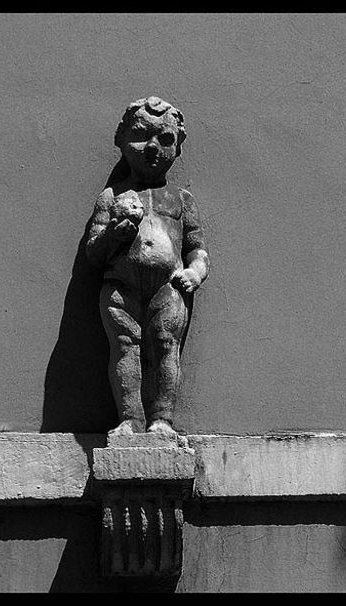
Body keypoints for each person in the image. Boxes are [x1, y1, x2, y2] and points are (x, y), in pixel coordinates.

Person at [86, 96, 210, 437]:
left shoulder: (181, 200)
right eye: (141, 136)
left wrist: (194, 273)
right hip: (121, 288)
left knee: (166, 345)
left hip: (168, 287)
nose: (153, 147)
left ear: (178, 147)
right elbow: (94, 253)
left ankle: (162, 420)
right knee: (125, 347)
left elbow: (197, 249)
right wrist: (114, 234)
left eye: (165, 139)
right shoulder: (111, 197)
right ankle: (129, 418)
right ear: (122, 139)